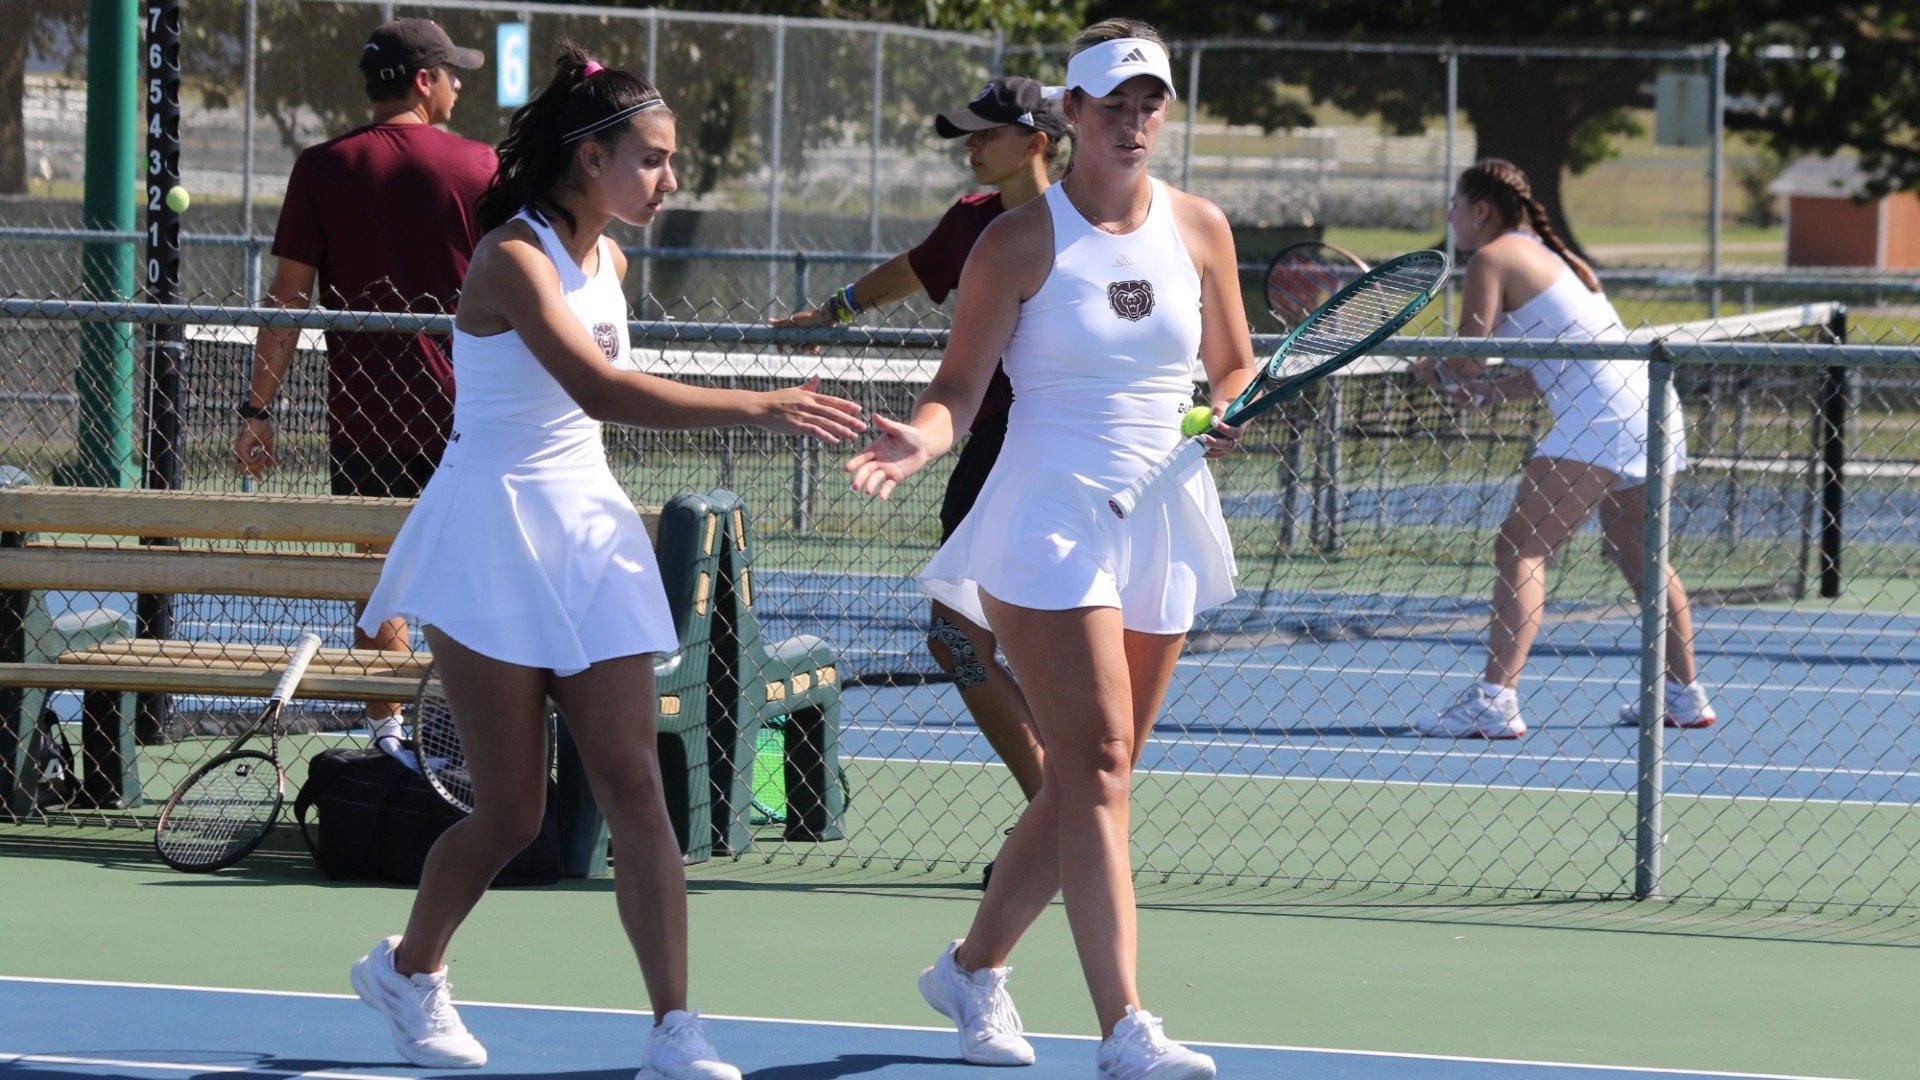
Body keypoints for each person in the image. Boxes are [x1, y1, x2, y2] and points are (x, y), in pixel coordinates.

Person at [346, 43, 866, 1079]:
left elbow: (597, 410)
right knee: (512, 813)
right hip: (494, 533)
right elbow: (602, 391)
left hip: (588, 534)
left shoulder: (610, 261)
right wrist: (758, 405)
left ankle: (677, 1027)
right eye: (654, 159)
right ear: (591, 159)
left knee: (634, 782)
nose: (668, 180)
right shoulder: (512, 259)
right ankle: (410, 971)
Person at [847, 21, 1252, 1079]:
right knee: (1102, 765)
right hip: (1048, 514)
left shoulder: (1202, 229)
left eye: (1149, 101)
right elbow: (958, 390)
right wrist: (918, 442)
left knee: (1085, 780)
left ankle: (973, 969)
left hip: (1164, 510)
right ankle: (1125, 1029)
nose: (1134, 120)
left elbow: (1235, 365)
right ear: (1069, 115)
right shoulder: (1017, 243)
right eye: (1113, 102)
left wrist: (1224, 407)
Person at [774, 76, 1066, 822]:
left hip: (1062, 456)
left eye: (986, 133)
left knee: (1031, 647)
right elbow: (912, 269)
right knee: (957, 640)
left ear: (1037, 141)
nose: (971, 146)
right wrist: (834, 310)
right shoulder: (972, 221)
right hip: (989, 452)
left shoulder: (1087, 223)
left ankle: (1062, 819)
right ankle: (1062, 814)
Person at [234, 18, 497, 746]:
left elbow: (286, 299)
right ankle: (472, 739)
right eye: (451, 71)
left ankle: (389, 742)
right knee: (477, 579)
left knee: (380, 581)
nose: (459, 83)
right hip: (466, 415)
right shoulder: (480, 165)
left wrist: (258, 407)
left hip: (364, 418)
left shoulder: (322, 167)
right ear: (422, 81)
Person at [1410, 157, 1718, 739]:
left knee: (1520, 548)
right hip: (1649, 407)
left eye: (1455, 205)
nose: (1450, 216)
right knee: (1638, 552)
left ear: (1480, 210)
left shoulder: (1492, 258)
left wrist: (1438, 368)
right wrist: (1486, 391)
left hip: (1603, 419)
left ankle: (1495, 701)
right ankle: (1684, 694)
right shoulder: (1557, 258)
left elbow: (1466, 359)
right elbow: (1551, 366)